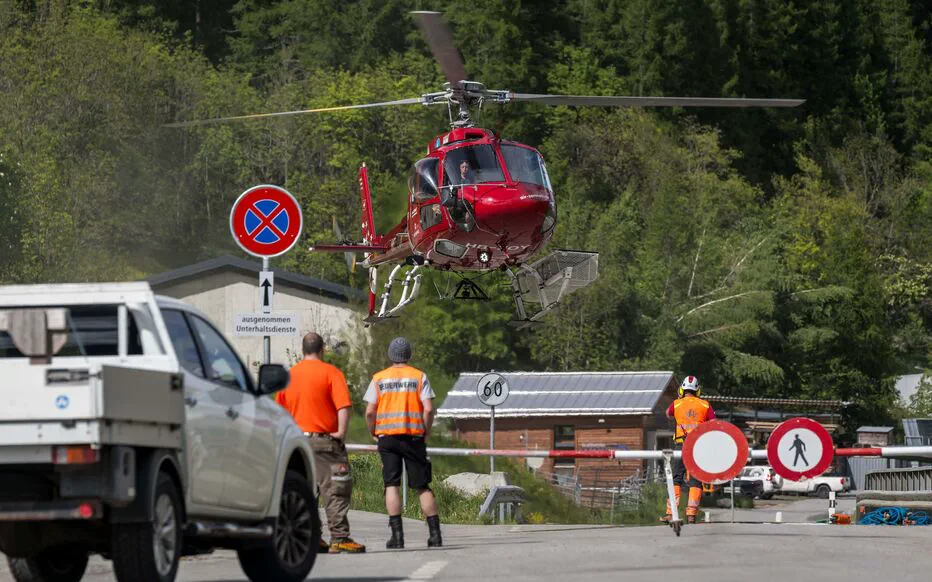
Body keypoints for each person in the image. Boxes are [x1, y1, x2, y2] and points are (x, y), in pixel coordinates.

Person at [275, 332, 366, 554]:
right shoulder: (331, 373)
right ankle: (340, 537)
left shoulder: (289, 376)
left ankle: (311, 537)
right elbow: (343, 406)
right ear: (322, 350)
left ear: (302, 350)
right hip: (325, 443)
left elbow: (279, 413)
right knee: (335, 489)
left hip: (296, 445)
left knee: (305, 491)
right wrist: (341, 433)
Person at [364, 337, 442, 549]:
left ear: (391, 355)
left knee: (391, 484)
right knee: (422, 485)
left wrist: (374, 432)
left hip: (387, 438)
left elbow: (370, 412)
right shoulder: (419, 377)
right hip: (413, 437)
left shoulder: (379, 378)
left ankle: (397, 537)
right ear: (409, 355)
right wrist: (425, 431)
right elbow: (428, 409)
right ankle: (435, 535)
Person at [661, 375, 715, 524]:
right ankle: (691, 515)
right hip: (698, 446)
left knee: (676, 478)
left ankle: (671, 513)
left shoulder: (677, 404)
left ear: (682, 389)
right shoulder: (705, 405)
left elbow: (668, 413)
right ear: (697, 390)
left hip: (680, 446)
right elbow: (713, 423)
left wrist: (679, 400)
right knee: (696, 481)